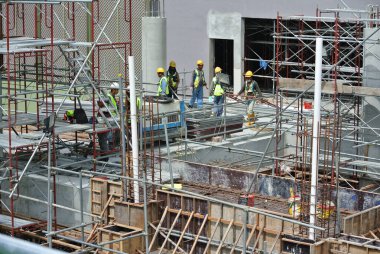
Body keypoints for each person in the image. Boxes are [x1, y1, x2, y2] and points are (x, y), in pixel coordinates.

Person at [97, 82, 121, 160]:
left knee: (104, 137)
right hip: (108, 118)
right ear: (114, 89)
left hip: (112, 118)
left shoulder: (112, 97)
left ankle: (111, 146)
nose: (118, 92)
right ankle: (108, 149)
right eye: (117, 90)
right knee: (103, 137)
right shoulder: (108, 96)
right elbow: (100, 103)